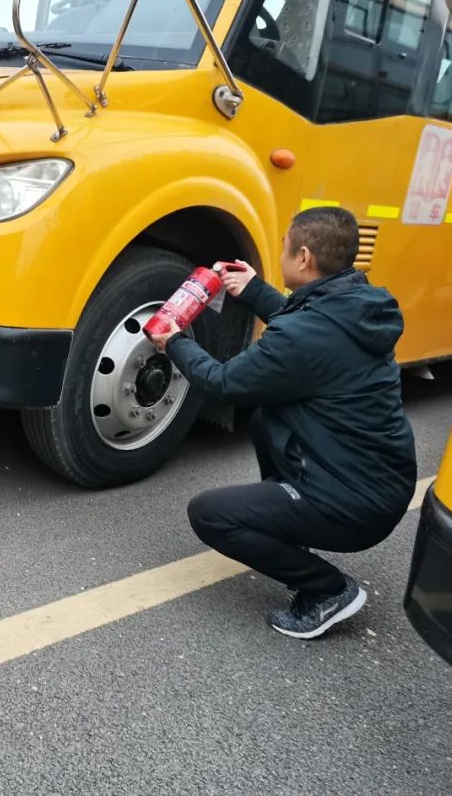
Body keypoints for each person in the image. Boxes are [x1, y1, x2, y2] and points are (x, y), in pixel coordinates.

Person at [148, 207, 417, 639]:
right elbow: (303, 324)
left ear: (304, 257)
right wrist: (254, 289)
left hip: (354, 505)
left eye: (285, 247)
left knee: (211, 515)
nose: (282, 253)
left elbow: (224, 382)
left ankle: (328, 591)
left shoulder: (307, 334)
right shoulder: (355, 303)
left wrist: (174, 342)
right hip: (377, 483)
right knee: (266, 417)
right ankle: (289, 521)